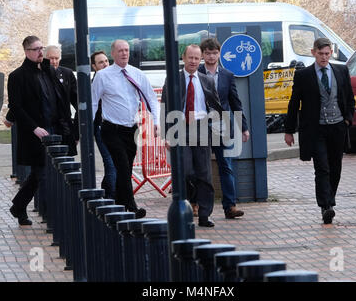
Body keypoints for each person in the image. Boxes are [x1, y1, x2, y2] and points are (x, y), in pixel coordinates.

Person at [284, 37, 355, 224]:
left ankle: (329, 199)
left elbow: (349, 97)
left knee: (335, 168)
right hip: (316, 130)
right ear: (313, 52)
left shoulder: (341, 70)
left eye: (327, 53)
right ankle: (326, 206)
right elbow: (294, 103)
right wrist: (289, 130)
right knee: (322, 167)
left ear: (331, 53)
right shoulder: (303, 75)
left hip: (338, 126)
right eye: (320, 53)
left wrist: (348, 119)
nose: (324, 57)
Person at [7, 35, 77, 225]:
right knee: (43, 174)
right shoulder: (17, 76)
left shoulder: (48, 71)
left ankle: (19, 206)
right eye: (36, 49)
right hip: (36, 133)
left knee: (43, 174)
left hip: (57, 129)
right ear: (27, 52)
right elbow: (17, 107)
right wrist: (34, 128)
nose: (41, 52)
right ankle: (53, 217)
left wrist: (70, 128)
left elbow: (61, 99)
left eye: (41, 48)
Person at [91, 39, 159, 218]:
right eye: (120, 50)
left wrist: (156, 121)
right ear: (112, 54)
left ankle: (120, 205)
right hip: (111, 128)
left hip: (131, 129)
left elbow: (151, 98)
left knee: (126, 168)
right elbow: (92, 102)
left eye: (126, 50)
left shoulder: (137, 74)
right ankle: (132, 206)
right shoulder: (103, 76)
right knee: (121, 164)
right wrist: (87, 127)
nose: (124, 53)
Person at [161, 44, 223, 227]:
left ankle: (205, 214)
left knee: (204, 174)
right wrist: (167, 134)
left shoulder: (207, 80)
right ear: (183, 58)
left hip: (202, 129)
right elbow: (165, 107)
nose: (194, 61)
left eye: (197, 58)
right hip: (180, 129)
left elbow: (217, 106)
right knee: (186, 171)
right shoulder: (173, 79)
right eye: (191, 58)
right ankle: (187, 207)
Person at [198, 38, 249, 219]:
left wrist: (243, 127)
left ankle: (230, 206)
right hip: (201, 125)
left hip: (223, 125)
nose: (211, 56)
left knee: (226, 166)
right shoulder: (196, 74)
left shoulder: (227, 75)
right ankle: (198, 203)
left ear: (219, 54)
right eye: (207, 53)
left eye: (214, 53)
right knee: (200, 167)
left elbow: (235, 102)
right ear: (202, 54)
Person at [90, 50, 116, 199]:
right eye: (101, 62)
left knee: (113, 163)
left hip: (115, 128)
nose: (105, 64)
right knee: (111, 162)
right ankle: (111, 199)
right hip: (102, 127)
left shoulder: (112, 78)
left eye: (106, 61)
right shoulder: (97, 81)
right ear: (94, 66)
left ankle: (107, 193)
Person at [45, 44, 79, 154]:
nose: (54, 61)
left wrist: (76, 132)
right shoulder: (38, 75)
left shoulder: (67, 74)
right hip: (45, 127)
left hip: (65, 127)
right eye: (50, 58)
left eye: (56, 58)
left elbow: (78, 103)